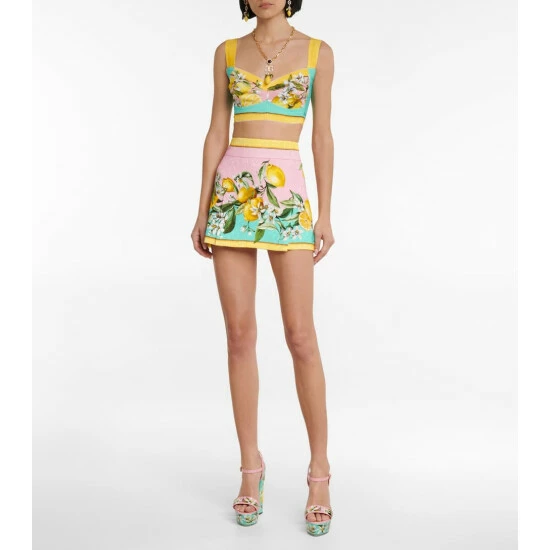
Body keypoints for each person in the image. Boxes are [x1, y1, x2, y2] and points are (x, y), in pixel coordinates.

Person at [190, 0, 335, 536]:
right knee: (239, 335)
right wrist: (202, 209)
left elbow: (321, 136)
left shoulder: (318, 52)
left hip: (289, 198)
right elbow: (216, 131)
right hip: (232, 196)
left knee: (301, 336)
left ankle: (319, 473)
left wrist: (324, 213)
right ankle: (251, 468)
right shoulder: (227, 52)